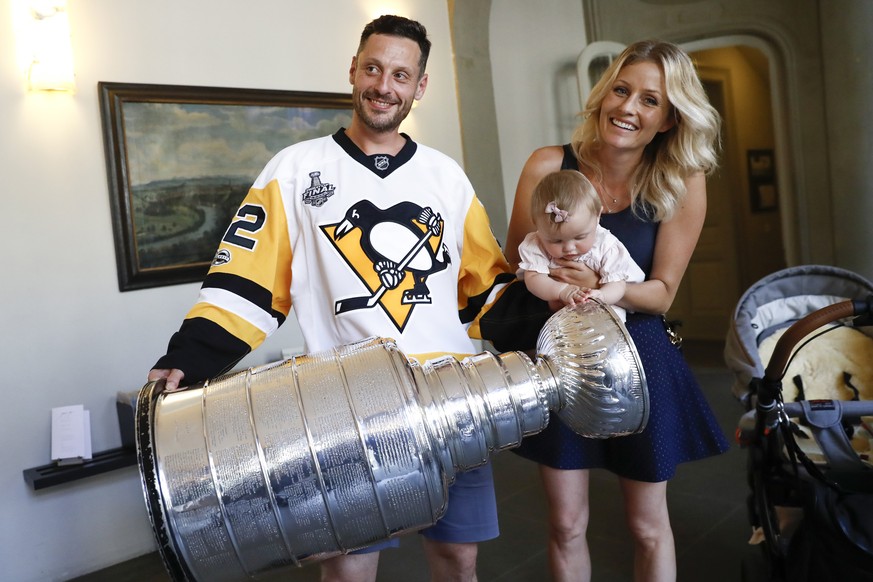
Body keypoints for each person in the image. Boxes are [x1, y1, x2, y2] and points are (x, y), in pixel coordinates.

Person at [147, 15, 549, 582]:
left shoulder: (445, 176)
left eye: (401, 75)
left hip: (451, 397)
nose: (385, 85)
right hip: (348, 408)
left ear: (420, 86)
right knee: (348, 569)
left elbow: (485, 291)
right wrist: (185, 360)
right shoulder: (294, 171)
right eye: (374, 68)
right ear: (354, 70)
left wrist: (555, 315)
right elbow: (247, 283)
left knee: (459, 561)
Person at [505, 40, 731, 581]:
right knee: (564, 524)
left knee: (648, 526)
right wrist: (556, 284)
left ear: (670, 118)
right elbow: (514, 267)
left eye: (649, 101)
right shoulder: (546, 165)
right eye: (622, 90)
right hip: (557, 357)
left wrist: (604, 286)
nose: (628, 108)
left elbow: (662, 293)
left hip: (641, 358)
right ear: (604, 95)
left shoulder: (680, 182)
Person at [518, 169, 644, 320]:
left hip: (604, 315)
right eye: (556, 241)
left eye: (580, 237)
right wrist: (561, 291)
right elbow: (533, 279)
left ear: (597, 217)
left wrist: (602, 295)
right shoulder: (536, 245)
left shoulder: (606, 245)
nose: (569, 248)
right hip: (559, 319)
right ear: (538, 226)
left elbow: (618, 284)